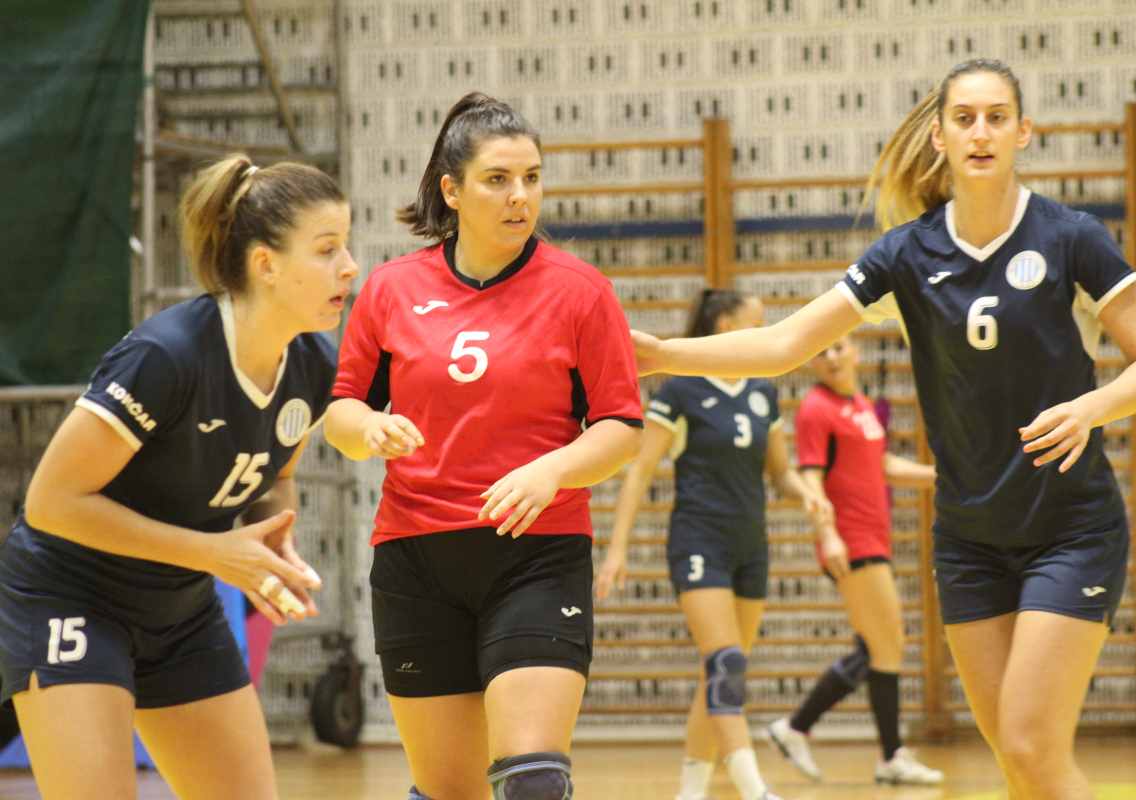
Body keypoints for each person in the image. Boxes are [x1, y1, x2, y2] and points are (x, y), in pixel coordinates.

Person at [633, 58, 1136, 800]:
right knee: (1018, 763)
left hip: (1070, 529)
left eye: (996, 118)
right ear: (939, 135)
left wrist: (1091, 407)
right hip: (969, 541)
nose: (980, 132)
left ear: (1023, 132)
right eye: (964, 118)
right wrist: (665, 354)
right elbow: (786, 344)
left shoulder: (1070, 238)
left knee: (1031, 746)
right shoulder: (906, 254)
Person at [0, 154, 355, 799]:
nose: (350, 267)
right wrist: (215, 554)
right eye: (327, 249)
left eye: (346, 246)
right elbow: (51, 502)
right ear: (266, 264)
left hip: (180, 607)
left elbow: (276, 473)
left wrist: (272, 537)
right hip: (72, 596)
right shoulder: (167, 355)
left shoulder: (313, 366)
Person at [324, 92, 642, 800]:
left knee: (533, 780)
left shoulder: (582, 292)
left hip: (536, 554)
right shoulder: (392, 289)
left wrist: (553, 471)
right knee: (449, 792)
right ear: (452, 190)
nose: (519, 195)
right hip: (416, 558)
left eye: (531, 177)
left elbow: (621, 427)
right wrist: (367, 428)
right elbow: (340, 410)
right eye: (497, 179)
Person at [596, 288, 824, 800]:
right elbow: (640, 472)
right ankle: (752, 788)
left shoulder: (763, 392)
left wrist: (807, 494)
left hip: (751, 545)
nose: (765, 333)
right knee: (726, 664)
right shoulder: (682, 391)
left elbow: (781, 473)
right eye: (756, 323)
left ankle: (690, 792)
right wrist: (617, 549)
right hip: (699, 540)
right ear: (725, 325)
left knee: (721, 672)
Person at [765, 335, 943, 785]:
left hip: (874, 538)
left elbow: (883, 465)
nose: (831, 356)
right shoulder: (816, 408)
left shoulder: (861, 405)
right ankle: (886, 755)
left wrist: (940, 478)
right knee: (888, 643)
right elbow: (810, 477)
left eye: (838, 347)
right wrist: (828, 535)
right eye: (821, 351)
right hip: (852, 540)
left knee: (877, 647)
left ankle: (799, 729)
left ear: (856, 352)